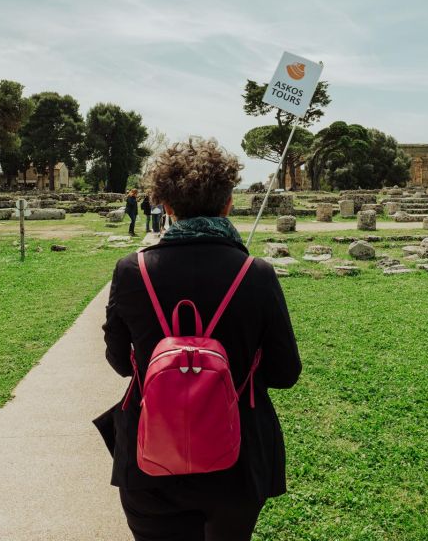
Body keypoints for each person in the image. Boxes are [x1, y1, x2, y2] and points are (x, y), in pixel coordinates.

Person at [98, 138, 301, 540]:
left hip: (149, 455)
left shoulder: (131, 270)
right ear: (228, 203)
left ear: (166, 205)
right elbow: (285, 372)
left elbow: (121, 363)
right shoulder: (255, 273)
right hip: (237, 456)